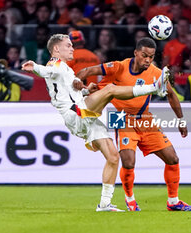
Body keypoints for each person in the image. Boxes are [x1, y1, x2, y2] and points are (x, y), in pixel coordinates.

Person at [21, 34, 170, 212]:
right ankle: (154, 87)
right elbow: (47, 70)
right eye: (68, 45)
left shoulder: (66, 69)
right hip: (75, 113)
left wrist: (85, 91)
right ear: (56, 49)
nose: (72, 48)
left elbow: (66, 91)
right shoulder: (55, 64)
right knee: (110, 89)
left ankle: (105, 204)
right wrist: (34, 67)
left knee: (113, 157)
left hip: (82, 113)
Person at [75, 37, 191, 212]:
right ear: (136, 53)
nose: (147, 60)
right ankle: (130, 199)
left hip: (145, 119)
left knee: (173, 158)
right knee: (128, 162)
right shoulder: (118, 66)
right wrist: (78, 83)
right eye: (144, 55)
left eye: (151, 57)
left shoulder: (155, 72)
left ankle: (173, 201)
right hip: (121, 118)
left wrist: (181, 120)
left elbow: (171, 94)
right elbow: (87, 70)